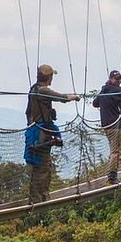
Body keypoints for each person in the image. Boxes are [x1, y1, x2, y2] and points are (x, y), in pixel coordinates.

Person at [25, 64, 79, 203]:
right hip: (42, 131)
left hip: (36, 130)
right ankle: (38, 199)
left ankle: (41, 196)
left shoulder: (34, 89)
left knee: (43, 165)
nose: (52, 79)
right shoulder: (43, 91)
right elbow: (62, 97)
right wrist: (75, 97)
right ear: (48, 77)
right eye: (51, 76)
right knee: (42, 167)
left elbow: (29, 111)